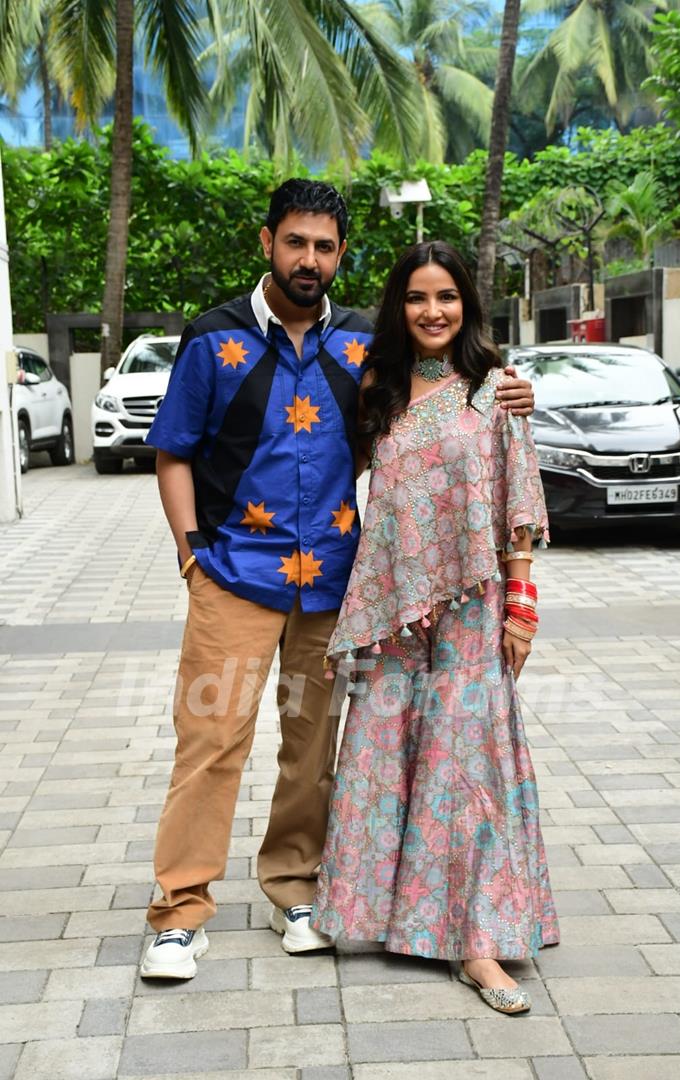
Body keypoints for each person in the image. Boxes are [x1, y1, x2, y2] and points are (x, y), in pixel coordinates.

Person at [139, 181, 536, 979]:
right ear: (267, 244)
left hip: (332, 584)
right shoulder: (214, 338)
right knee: (211, 741)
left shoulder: (363, 348)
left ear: (340, 255)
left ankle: (295, 890)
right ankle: (180, 912)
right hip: (232, 575)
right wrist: (191, 555)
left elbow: (439, 390)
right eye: (295, 243)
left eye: (324, 247)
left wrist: (515, 390)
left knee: (312, 748)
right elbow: (173, 449)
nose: (309, 259)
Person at [311, 240, 559, 1014]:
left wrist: (522, 604)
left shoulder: (495, 392)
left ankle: (478, 942)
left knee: (467, 765)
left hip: (473, 606)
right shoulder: (376, 390)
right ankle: (382, 915)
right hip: (390, 607)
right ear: (399, 306)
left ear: (467, 305)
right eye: (417, 297)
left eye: (446, 297)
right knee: (385, 757)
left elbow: (518, 500)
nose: (433, 311)